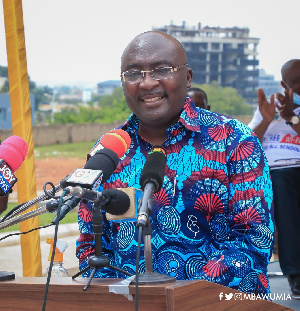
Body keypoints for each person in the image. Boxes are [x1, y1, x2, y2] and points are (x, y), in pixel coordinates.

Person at [76, 31, 274, 297]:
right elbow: (92, 245)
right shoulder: (108, 151)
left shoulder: (234, 141)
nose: (146, 83)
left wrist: (177, 297)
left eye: (162, 69)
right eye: (133, 73)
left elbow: (254, 241)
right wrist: (116, 296)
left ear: (188, 77)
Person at [248, 59, 300, 297]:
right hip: (275, 172)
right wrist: (267, 120)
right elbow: (247, 146)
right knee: (280, 186)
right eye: (296, 82)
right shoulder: (266, 109)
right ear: (284, 84)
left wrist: (292, 118)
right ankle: (296, 273)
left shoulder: (291, 112)